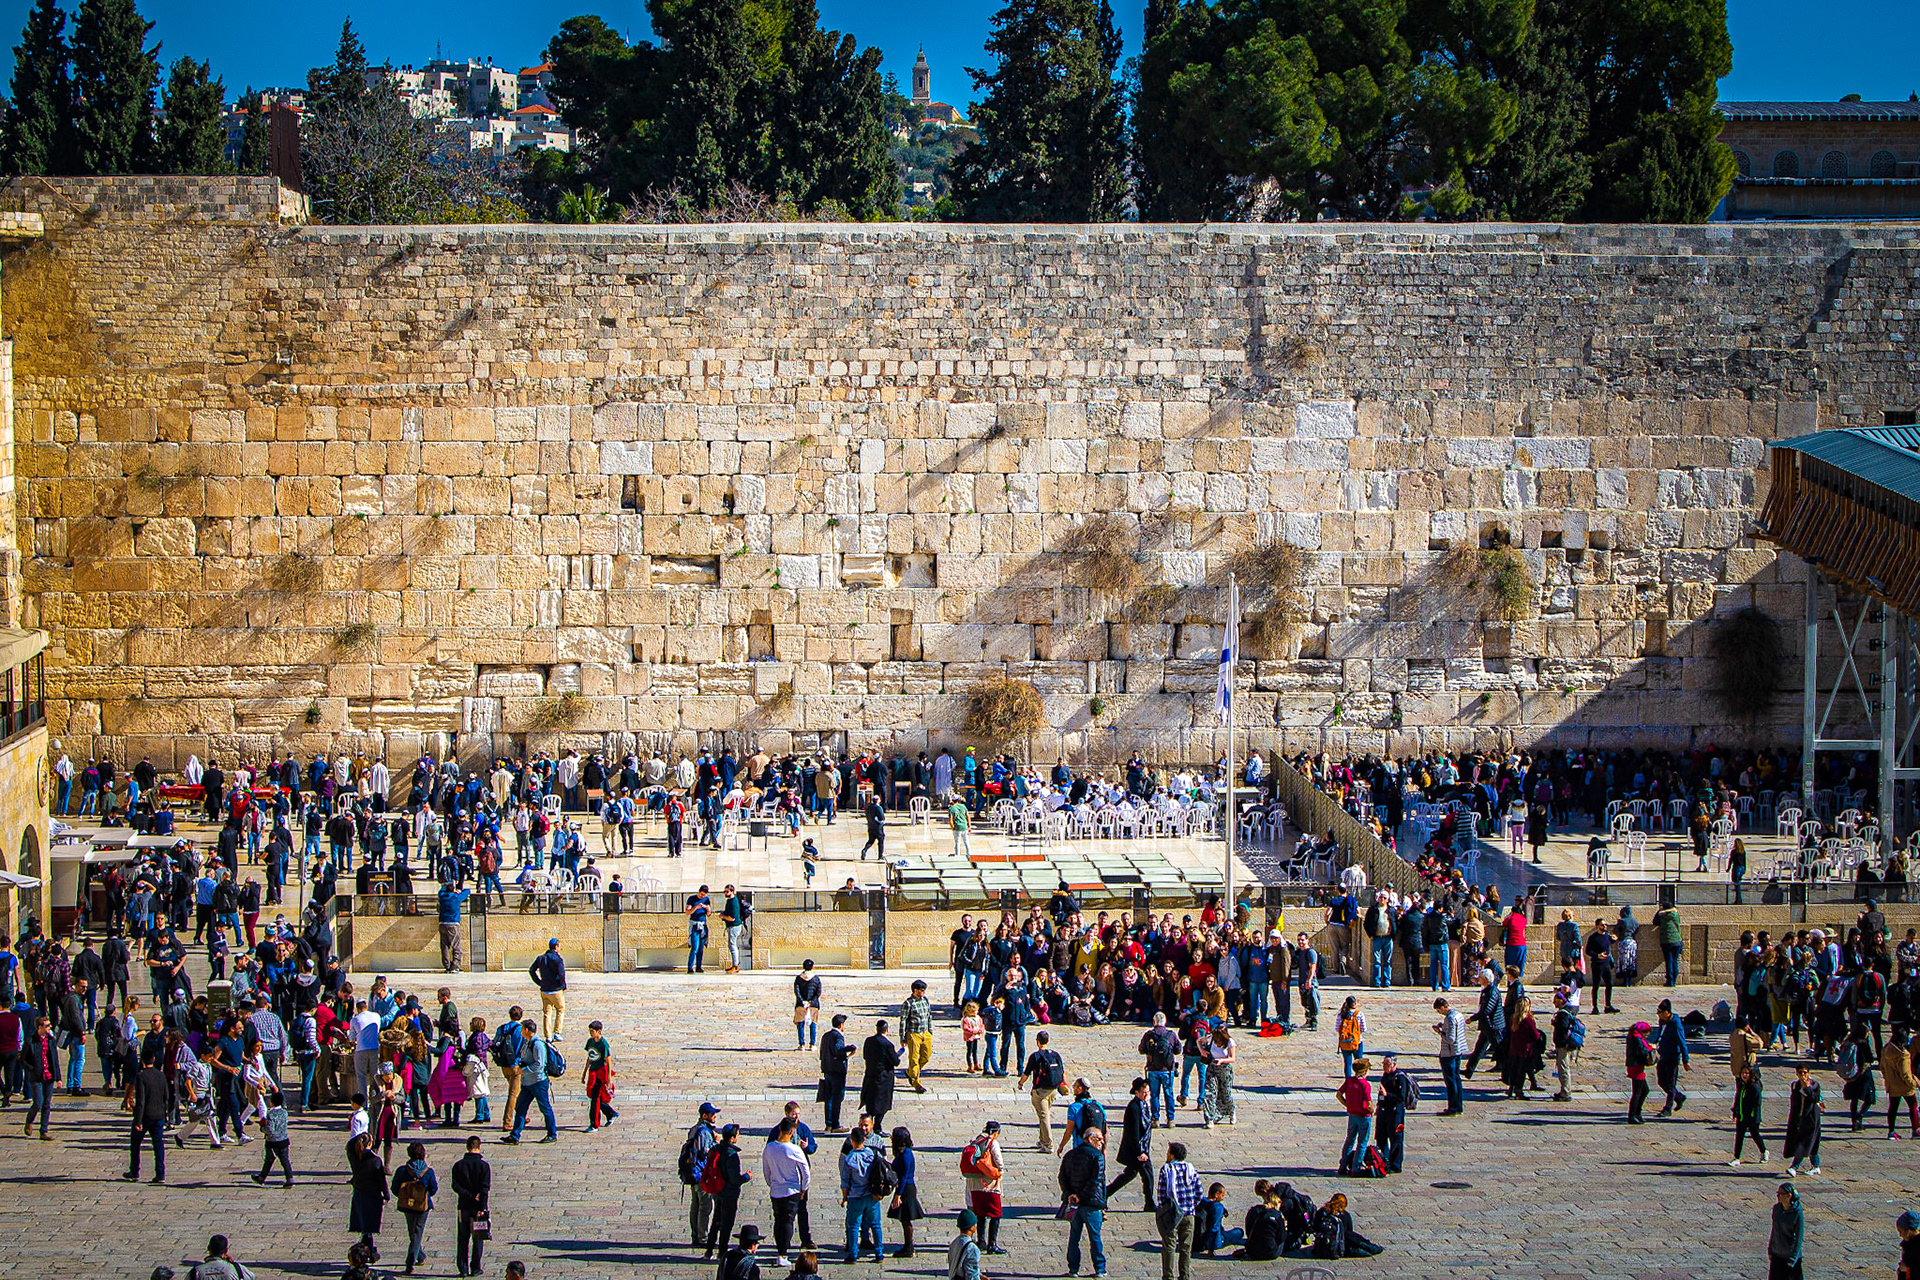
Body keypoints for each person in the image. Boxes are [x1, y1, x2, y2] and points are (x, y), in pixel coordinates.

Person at [1058, 1125, 1108, 1277]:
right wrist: (1081, 1196)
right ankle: (1100, 1268)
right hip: (1091, 1203)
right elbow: (1096, 1181)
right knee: (1095, 1237)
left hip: (1074, 1204)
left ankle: (1073, 1269)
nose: (1102, 1142)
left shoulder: (1070, 1154)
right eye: (1099, 1139)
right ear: (1090, 1139)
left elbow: (1062, 1177)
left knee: (1074, 1237)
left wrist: (1070, 1195)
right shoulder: (1097, 1156)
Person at [764, 1116, 814, 1267]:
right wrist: (804, 1188)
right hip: (792, 1190)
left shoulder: (769, 1148)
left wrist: (771, 1183)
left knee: (779, 1220)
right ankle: (783, 1253)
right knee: (788, 1221)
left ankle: (781, 1250)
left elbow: (766, 1171)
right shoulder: (794, 1150)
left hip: (776, 1189)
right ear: (792, 1131)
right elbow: (806, 1171)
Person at [503, 1018, 557, 1144]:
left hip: (538, 1082)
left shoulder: (537, 1044)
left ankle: (552, 1133)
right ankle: (515, 1135)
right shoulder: (527, 1042)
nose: (521, 1031)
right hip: (527, 1083)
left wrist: (524, 1070)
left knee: (545, 1108)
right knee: (520, 1108)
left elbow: (539, 1064)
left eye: (522, 1029)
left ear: (527, 1030)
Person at [703, 1124, 752, 1260]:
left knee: (716, 1221)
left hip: (717, 1191)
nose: (738, 1137)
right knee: (726, 1223)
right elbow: (735, 1179)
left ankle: (709, 1250)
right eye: (737, 1135)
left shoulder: (717, 1148)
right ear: (732, 1138)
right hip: (729, 1193)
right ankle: (722, 1251)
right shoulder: (732, 1155)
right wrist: (746, 1177)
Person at [839, 1125, 886, 1264]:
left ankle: (853, 1254)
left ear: (852, 1140)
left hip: (856, 1197)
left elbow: (845, 1183)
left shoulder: (849, 1159)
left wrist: (844, 1197)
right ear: (864, 1140)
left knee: (853, 1226)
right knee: (875, 1224)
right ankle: (879, 1253)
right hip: (871, 1196)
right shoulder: (872, 1155)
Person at [1155, 1141, 1202, 1280]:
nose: (1167, 1154)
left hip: (1172, 1214)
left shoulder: (1166, 1169)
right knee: (1185, 1248)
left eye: (1168, 1152)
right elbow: (1199, 1192)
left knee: (1169, 1246)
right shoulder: (1191, 1169)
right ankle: (1184, 1275)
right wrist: (1191, 1205)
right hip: (1188, 1214)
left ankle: (1168, 1276)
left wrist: (1162, 1210)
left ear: (1172, 1155)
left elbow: (1161, 1194)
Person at [1105, 1077, 1155, 1211]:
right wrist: (1139, 1153)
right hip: (1137, 1151)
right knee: (1148, 1176)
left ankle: (1104, 1194)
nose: (1146, 1095)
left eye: (1148, 1092)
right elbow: (1133, 1133)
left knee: (1129, 1175)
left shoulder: (1144, 1105)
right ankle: (1149, 1203)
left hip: (1143, 1149)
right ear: (1137, 1092)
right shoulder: (1133, 1108)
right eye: (1143, 1092)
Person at [391, 1140, 438, 1275]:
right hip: (422, 1206)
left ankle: (416, 1258)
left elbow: (395, 1188)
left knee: (412, 1231)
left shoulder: (402, 1170)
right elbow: (433, 1189)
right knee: (416, 1231)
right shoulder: (428, 1172)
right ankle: (413, 1260)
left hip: (407, 1205)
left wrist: (404, 1196)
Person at [450, 1135, 492, 1278]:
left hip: (463, 1206)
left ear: (467, 1146)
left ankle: (462, 1268)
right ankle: (475, 1267)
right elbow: (485, 1189)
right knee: (478, 1237)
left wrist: (467, 1194)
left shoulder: (458, 1165)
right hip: (478, 1208)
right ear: (479, 1146)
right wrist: (482, 1206)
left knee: (463, 1238)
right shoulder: (484, 1166)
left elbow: (455, 1186)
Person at [961, 1121, 1006, 1254]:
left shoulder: (975, 1141)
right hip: (989, 1185)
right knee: (995, 1214)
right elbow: (999, 1163)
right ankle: (992, 1244)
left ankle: (981, 1241)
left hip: (974, 1185)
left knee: (980, 1214)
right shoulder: (992, 1143)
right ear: (996, 1132)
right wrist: (999, 1172)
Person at [126, 1047, 169, 1183]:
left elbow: (140, 1100)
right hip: (159, 1115)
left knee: (135, 1144)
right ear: (154, 1059)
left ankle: (134, 1171)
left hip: (145, 1116)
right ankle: (160, 1173)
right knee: (158, 1145)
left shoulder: (141, 1076)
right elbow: (166, 1096)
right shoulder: (161, 1075)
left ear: (142, 1060)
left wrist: (138, 1120)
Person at [1020, 1029, 1067, 1152]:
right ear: (1048, 1041)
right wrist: (1066, 1086)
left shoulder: (1035, 1056)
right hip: (1053, 1089)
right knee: (1043, 1115)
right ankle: (1042, 1140)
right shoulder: (1055, 1055)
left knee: (1044, 1117)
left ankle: (1048, 1144)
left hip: (1040, 1091)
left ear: (1037, 1042)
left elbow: (1026, 1073)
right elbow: (1062, 1072)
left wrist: (1020, 1083)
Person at [886, 1126, 925, 1259]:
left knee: (905, 1218)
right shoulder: (903, 1153)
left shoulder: (906, 1155)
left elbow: (903, 1177)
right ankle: (908, 1245)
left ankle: (909, 1247)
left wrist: (898, 1195)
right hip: (905, 1188)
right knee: (904, 1219)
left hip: (906, 1189)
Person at [348, 1132, 389, 1256]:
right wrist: (386, 1194)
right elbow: (382, 1180)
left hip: (359, 1194)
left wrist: (359, 1138)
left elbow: (349, 1145)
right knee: (369, 1226)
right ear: (370, 1143)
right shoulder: (375, 1160)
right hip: (372, 1196)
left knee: (365, 1226)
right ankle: (368, 1251)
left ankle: (369, 1250)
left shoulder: (354, 1156)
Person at [1374, 1053, 1415, 1172]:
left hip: (1395, 1112)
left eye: (1387, 1064)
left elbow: (1401, 1098)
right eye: (1384, 1064)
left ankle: (1395, 1165)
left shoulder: (1400, 1077)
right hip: (1383, 1111)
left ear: (1394, 1065)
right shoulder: (1385, 1076)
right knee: (1380, 1137)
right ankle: (1383, 1162)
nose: (1385, 1067)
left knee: (1396, 1138)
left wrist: (1387, 1095)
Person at [859, 1019, 900, 1128]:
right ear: (887, 1030)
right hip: (883, 1078)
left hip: (870, 1075)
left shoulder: (869, 1041)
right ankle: (877, 1125)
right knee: (882, 1103)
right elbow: (895, 1061)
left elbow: (865, 1056)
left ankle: (870, 1124)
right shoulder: (888, 1045)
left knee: (871, 1101)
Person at [1784, 1063, 1824, 1176]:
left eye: (1805, 1072)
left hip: (1811, 1118)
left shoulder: (1814, 1085)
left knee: (1804, 1142)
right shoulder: (1794, 1085)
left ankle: (1794, 1167)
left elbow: (1814, 1098)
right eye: (1800, 1072)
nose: (1802, 1075)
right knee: (1811, 1142)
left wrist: (1808, 1088)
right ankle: (1816, 1165)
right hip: (1799, 1118)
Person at [817, 1015, 856, 1131]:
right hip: (837, 1071)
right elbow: (838, 1050)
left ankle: (828, 1123)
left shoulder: (826, 1035)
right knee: (837, 1098)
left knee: (828, 1097)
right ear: (840, 1025)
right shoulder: (838, 1036)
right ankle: (835, 1125)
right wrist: (850, 1048)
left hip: (827, 1069)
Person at [1654, 999, 1690, 1116]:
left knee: (1670, 1083)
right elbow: (1660, 1034)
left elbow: (1682, 1042)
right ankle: (1679, 1097)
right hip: (1662, 1055)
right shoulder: (1662, 1021)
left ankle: (1667, 1108)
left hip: (1672, 1057)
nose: (1658, 1015)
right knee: (1661, 1081)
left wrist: (1686, 1060)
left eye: (1660, 1012)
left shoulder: (1676, 1024)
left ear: (1667, 1012)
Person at [1337, 1058, 1373, 1171]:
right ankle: (1356, 1167)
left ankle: (1343, 1165)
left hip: (1352, 1115)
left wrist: (1347, 1104)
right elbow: (1368, 1103)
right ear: (1365, 1071)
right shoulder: (1365, 1084)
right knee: (1362, 1142)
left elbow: (1338, 1094)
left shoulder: (1349, 1080)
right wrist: (1372, 1111)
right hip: (1363, 1116)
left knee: (1350, 1140)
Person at [1433, 997, 1467, 1114]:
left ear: (1442, 1008)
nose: (1439, 1013)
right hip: (1458, 1051)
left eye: (1439, 1010)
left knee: (1451, 1081)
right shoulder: (1458, 1015)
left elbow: (1450, 1039)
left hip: (1449, 1053)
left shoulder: (1450, 1018)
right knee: (1457, 1079)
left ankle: (1452, 1107)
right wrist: (1444, 1027)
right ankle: (1458, 1106)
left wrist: (1440, 1032)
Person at [528, 939, 567, 1041]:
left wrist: (539, 982)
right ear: (556, 947)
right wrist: (562, 985)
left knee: (547, 1013)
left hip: (545, 990)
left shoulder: (541, 958)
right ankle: (557, 1032)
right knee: (560, 1009)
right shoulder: (558, 959)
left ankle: (548, 1036)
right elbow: (561, 974)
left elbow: (531, 970)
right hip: (556, 990)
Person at [582, 1020, 618, 1129]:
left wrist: (608, 1078)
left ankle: (594, 1124)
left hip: (601, 1072)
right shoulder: (590, 1042)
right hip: (593, 1071)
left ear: (599, 1031)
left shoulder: (603, 1044)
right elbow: (590, 1057)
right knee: (594, 1097)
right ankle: (610, 1113)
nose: (591, 1033)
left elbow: (608, 1060)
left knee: (595, 1097)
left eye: (592, 1031)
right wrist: (584, 1073)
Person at [1729, 1063, 1767, 1166]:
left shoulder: (1755, 1087)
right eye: (1743, 1073)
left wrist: (1752, 1116)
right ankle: (1736, 1157)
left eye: (1746, 1073)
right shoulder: (1741, 1085)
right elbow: (1738, 1099)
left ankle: (1763, 1151)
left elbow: (1756, 1104)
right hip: (1742, 1116)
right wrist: (1735, 1112)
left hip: (1752, 1118)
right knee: (1739, 1136)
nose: (1744, 1075)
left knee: (1755, 1135)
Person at [900, 979, 933, 1094]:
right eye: (921, 990)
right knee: (914, 1059)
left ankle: (910, 1072)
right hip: (913, 1033)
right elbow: (903, 1020)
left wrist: (930, 1031)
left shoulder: (925, 1000)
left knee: (926, 1056)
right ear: (915, 990)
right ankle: (916, 1082)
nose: (923, 992)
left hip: (925, 1032)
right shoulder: (908, 1003)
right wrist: (902, 1037)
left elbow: (929, 1016)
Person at [1201, 1023, 1235, 1128]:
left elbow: (1232, 1058)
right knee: (1209, 1092)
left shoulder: (1230, 1042)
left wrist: (1222, 1061)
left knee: (1225, 1093)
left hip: (1225, 1069)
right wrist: (1202, 1051)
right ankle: (1209, 1118)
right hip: (1212, 1067)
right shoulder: (1211, 1038)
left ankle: (1231, 1112)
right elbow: (1199, 1041)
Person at [1769, 1182, 1804, 1280]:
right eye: (1777, 1193)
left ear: (1789, 1195)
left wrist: (1793, 1259)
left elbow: (1799, 1237)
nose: (1778, 1196)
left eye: (1781, 1194)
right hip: (1777, 1255)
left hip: (1790, 1258)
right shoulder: (1777, 1209)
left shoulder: (1797, 1213)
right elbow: (1774, 1230)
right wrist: (1771, 1249)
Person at [187, 1234, 257, 1280]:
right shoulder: (237, 1269)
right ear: (226, 1251)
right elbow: (252, 1277)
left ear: (208, 1248)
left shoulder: (196, 1272)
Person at [794, 960, 822, 1051]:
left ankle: (801, 1044)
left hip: (801, 1005)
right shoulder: (816, 979)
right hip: (813, 1005)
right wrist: (811, 1002)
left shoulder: (798, 979)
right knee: (813, 1023)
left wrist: (802, 1001)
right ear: (812, 967)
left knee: (800, 1024)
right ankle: (812, 1044)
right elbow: (818, 992)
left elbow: (797, 992)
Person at [948, 1210, 983, 1280]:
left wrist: (980, 1276)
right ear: (971, 1228)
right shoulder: (972, 1249)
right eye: (975, 1224)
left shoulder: (955, 1242)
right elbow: (972, 1275)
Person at [1896, 1209, 1920, 1280]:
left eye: (1901, 1231)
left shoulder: (1917, 1247)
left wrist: (1907, 1269)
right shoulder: (1907, 1244)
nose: (1900, 1235)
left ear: (1908, 1231)